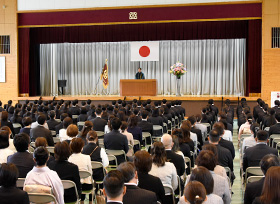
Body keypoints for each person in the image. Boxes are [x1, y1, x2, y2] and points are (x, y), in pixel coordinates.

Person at [68, 138, 93, 204]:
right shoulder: (87, 157)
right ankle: (90, 202)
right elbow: (90, 172)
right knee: (89, 179)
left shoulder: (70, 159)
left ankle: (81, 201)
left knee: (80, 181)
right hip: (87, 186)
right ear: (82, 147)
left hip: (75, 187)